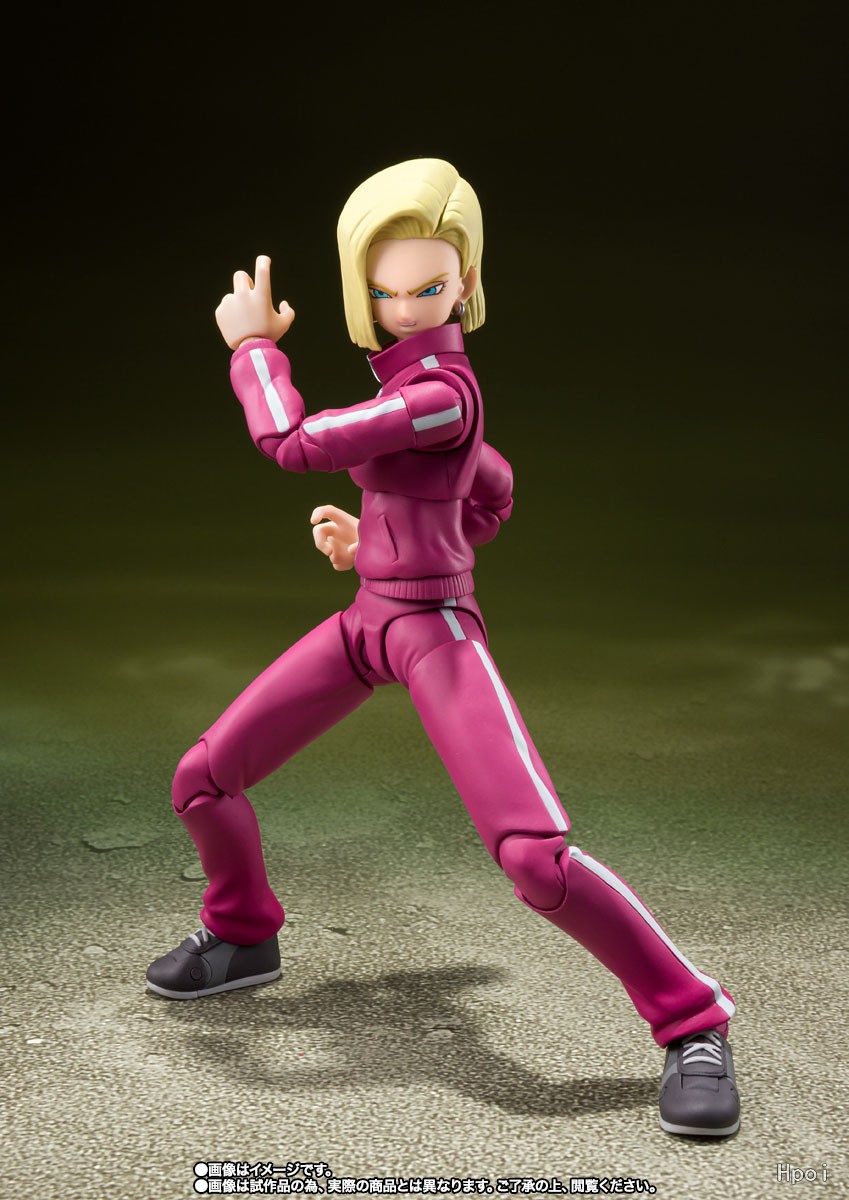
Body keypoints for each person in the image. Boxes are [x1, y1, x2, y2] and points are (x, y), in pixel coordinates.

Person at [146, 158, 740, 1137]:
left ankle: (693, 1022)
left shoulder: (440, 396)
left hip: (435, 634)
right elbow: (491, 488)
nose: (405, 307)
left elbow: (292, 442)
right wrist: (385, 540)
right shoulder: (426, 402)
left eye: (426, 288)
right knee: (202, 778)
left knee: (535, 860)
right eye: (385, 291)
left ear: (464, 281)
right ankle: (243, 930)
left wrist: (252, 349)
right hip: (367, 620)